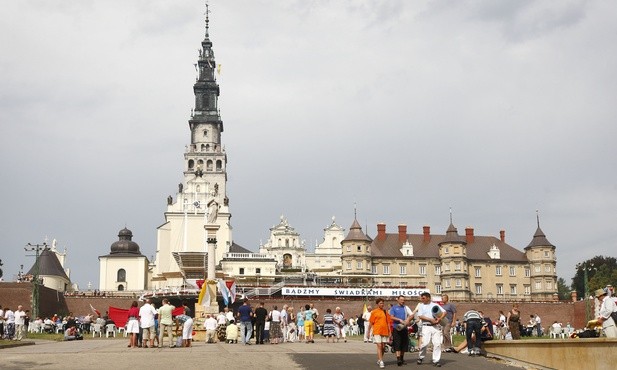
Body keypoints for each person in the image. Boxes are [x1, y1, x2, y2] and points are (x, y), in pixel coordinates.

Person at [416, 292, 446, 367]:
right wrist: (430, 319)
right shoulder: (421, 306)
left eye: (423, 298)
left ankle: (436, 360)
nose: (422, 299)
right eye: (421, 298)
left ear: (428, 298)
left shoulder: (435, 305)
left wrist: (440, 318)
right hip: (426, 326)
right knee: (425, 343)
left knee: (437, 344)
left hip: (436, 326)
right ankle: (421, 357)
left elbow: (444, 312)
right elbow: (420, 316)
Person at [368, 298, 392, 369]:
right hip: (377, 331)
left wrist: (390, 331)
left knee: (383, 347)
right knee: (379, 345)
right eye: (381, 303)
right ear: (377, 304)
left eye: (383, 303)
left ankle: (379, 359)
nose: (382, 304)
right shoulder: (374, 312)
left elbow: (388, 322)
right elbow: (370, 322)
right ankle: (381, 361)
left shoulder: (385, 312)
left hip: (384, 331)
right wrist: (368, 332)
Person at [389, 295, 413, 366]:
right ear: (398, 300)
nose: (403, 301)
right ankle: (398, 359)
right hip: (396, 328)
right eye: (401, 300)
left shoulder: (406, 308)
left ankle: (402, 358)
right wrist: (399, 320)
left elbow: (411, 315)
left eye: (404, 300)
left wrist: (408, 320)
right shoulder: (393, 308)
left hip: (404, 328)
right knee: (397, 343)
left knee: (404, 343)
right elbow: (391, 317)